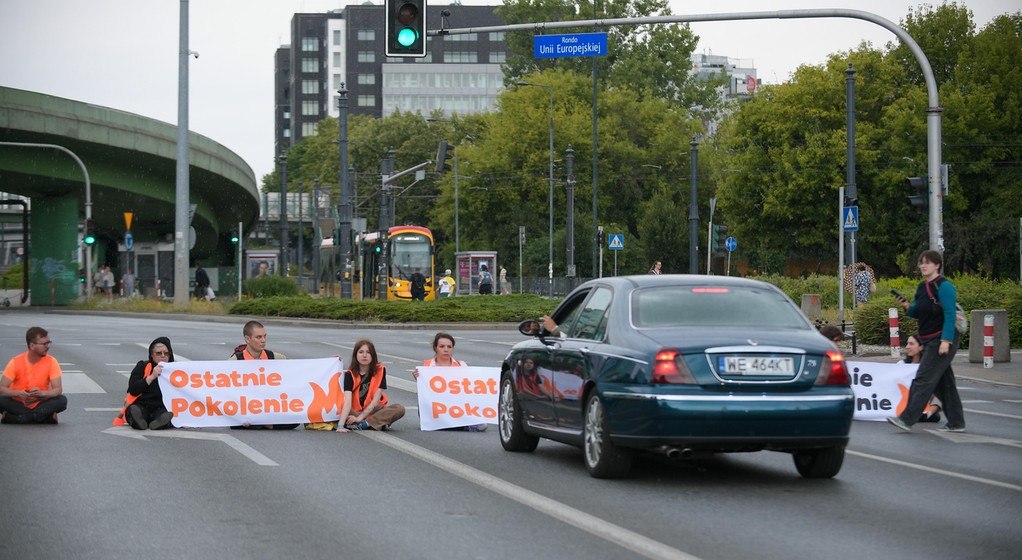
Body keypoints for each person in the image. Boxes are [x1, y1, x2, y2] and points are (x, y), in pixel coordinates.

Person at [887, 250, 965, 433]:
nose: (923, 266)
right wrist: (907, 307)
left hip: (941, 340)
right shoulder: (923, 287)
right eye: (921, 262)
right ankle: (956, 422)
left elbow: (950, 314)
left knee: (922, 379)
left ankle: (906, 419)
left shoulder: (944, 287)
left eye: (927, 262)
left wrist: (946, 341)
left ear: (937, 265)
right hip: (929, 339)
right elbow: (918, 311)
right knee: (944, 384)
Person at [229, 320, 297, 430]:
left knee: (295, 420)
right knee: (235, 421)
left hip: (270, 406)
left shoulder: (275, 357)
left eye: (265, 336)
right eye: (259, 337)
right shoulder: (235, 361)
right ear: (247, 339)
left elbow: (298, 371)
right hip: (247, 406)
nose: (263, 340)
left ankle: (264, 423)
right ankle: (265, 423)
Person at [412, 332, 486, 432]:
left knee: (481, 424)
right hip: (436, 407)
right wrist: (418, 378)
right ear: (435, 348)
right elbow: (425, 392)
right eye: (442, 346)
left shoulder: (461, 365)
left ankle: (450, 424)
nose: (446, 350)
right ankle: (460, 426)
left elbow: (469, 389)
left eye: (449, 347)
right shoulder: (427, 367)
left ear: (453, 349)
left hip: (456, 406)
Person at [0, 327, 67, 424]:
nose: (48, 346)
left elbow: (57, 390)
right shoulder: (16, 362)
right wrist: (17, 393)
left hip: (40, 403)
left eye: (49, 343)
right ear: (32, 345)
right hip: (18, 402)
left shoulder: (51, 361)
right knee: (2, 400)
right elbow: (2, 389)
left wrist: (42, 394)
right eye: (44, 344)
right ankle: (42, 417)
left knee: (62, 400)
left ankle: (17, 418)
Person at [336, 339, 405, 432]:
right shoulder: (350, 374)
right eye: (361, 352)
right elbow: (347, 401)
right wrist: (340, 426)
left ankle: (365, 424)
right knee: (339, 406)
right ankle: (375, 423)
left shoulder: (380, 370)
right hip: (356, 412)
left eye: (368, 352)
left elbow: (376, 400)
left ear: (373, 355)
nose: (364, 355)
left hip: (375, 411)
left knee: (399, 409)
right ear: (355, 355)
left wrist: (360, 418)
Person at [116, 337, 175, 430]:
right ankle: (138, 422)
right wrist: (151, 377)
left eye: (166, 353)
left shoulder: (176, 370)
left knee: (167, 414)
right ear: (152, 355)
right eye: (159, 353)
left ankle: (160, 422)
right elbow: (133, 390)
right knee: (134, 410)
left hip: (162, 407)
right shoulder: (143, 366)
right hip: (143, 405)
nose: (163, 356)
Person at [899, 333, 942, 424]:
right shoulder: (901, 364)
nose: (907, 347)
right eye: (907, 344)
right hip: (906, 396)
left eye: (911, 344)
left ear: (921, 347)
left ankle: (928, 414)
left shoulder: (929, 366)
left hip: (925, 397)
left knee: (942, 388)